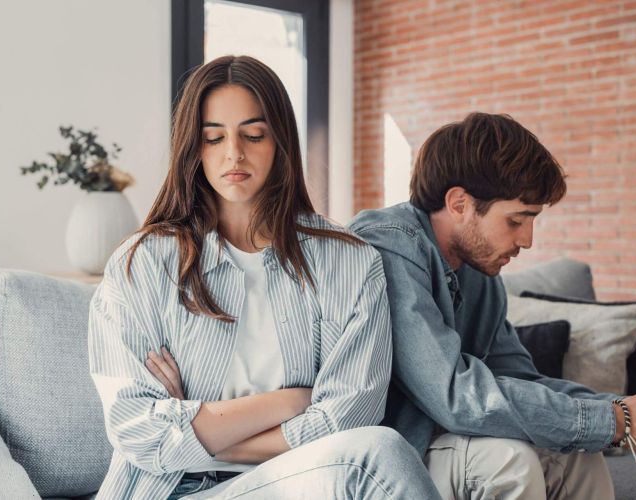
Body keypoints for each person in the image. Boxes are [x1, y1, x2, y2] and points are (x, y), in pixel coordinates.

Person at [88, 55, 441, 500]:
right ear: (192, 149)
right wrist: (294, 400)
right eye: (213, 138)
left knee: (377, 452)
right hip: (172, 491)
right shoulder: (141, 265)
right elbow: (140, 433)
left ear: (280, 141)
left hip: (293, 482)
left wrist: (197, 423)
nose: (234, 153)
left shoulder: (349, 262)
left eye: (253, 135)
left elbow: (348, 419)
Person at [349, 111, 636, 500]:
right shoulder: (390, 247)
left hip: (444, 440)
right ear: (459, 203)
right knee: (508, 461)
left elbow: (520, 379)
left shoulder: (480, 276)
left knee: (579, 456)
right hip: (392, 455)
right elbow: (455, 395)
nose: (528, 240)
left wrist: (634, 412)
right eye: (516, 220)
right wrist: (619, 420)